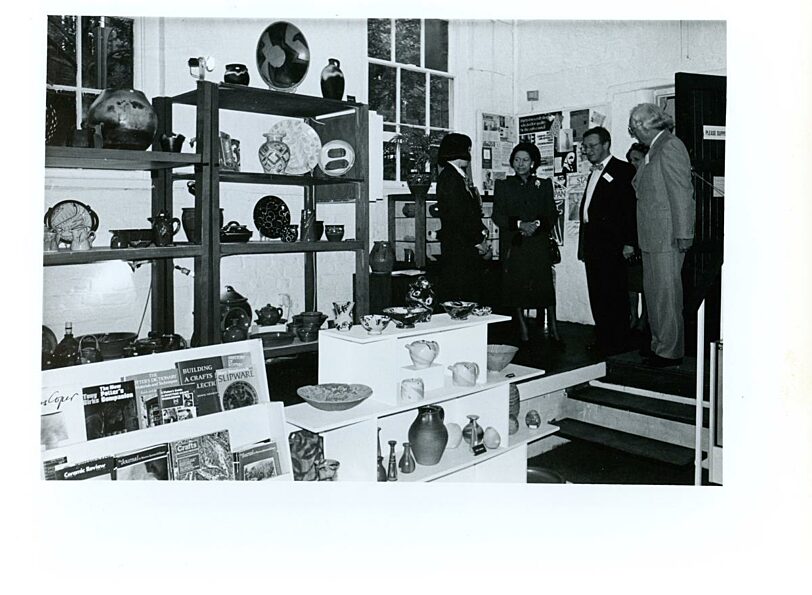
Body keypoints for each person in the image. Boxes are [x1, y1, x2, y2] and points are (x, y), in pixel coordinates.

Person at [628, 103, 695, 367]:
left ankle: (670, 351)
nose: (633, 133)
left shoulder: (670, 146)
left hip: (667, 236)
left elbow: (682, 193)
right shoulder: (654, 148)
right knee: (654, 294)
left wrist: (684, 232)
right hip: (652, 235)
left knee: (667, 295)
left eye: (633, 128)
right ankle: (658, 345)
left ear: (644, 126)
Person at [576, 126, 637, 356]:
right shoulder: (594, 171)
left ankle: (618, 342)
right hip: (593, 244)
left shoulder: (622, 170)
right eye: (585, 147)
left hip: (613, 246)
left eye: (592, 146)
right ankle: (604, 338)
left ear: (606, 144)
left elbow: (630, 209)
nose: (587, 150)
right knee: (598, 295)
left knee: (615, 295)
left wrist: (629, 242)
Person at [492, 142, 558, 343]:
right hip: (515, 242)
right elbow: (498, 215)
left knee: (544, 285)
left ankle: (554, 329)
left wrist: (535, 225)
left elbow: (552, 214)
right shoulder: (503, 185)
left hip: (537, 242)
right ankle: (523, 329)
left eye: (525, 160)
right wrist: (520, 224)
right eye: (517, 160)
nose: (520, 164)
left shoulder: (544, 184)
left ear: (533, 163)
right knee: (516, 286)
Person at [435, 132, 490, 303]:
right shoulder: (451, 178)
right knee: (463, 296)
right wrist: (478, 240)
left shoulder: (455, 176)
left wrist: (481, 231)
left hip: (463, 246)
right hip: (460, 248)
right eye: (468, 149)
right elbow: (459, 216)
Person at [625, 142, 649, 333]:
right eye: (630, 160)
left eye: (637, 160)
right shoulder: (627, 180)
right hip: (631, 236)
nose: (632, 163)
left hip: (647, 235)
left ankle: (645, 318)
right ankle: (632, 315)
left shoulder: (649, 179)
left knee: (647, 282)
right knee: (631, 282)